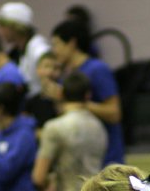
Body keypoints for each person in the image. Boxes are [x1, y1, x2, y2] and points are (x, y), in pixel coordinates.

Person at [50, 20, 124, 165]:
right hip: (79, 162)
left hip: (106, 160)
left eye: (56, 44)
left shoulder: (97, 69)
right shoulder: (65, 76)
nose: (54, 50)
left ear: (71, 43)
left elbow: (114, 113)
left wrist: (77, 103)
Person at [0, 2, 50, 97]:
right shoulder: (16, 52)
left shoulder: (38, 48)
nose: (0, 31)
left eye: (2, 26)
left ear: (15, 27)